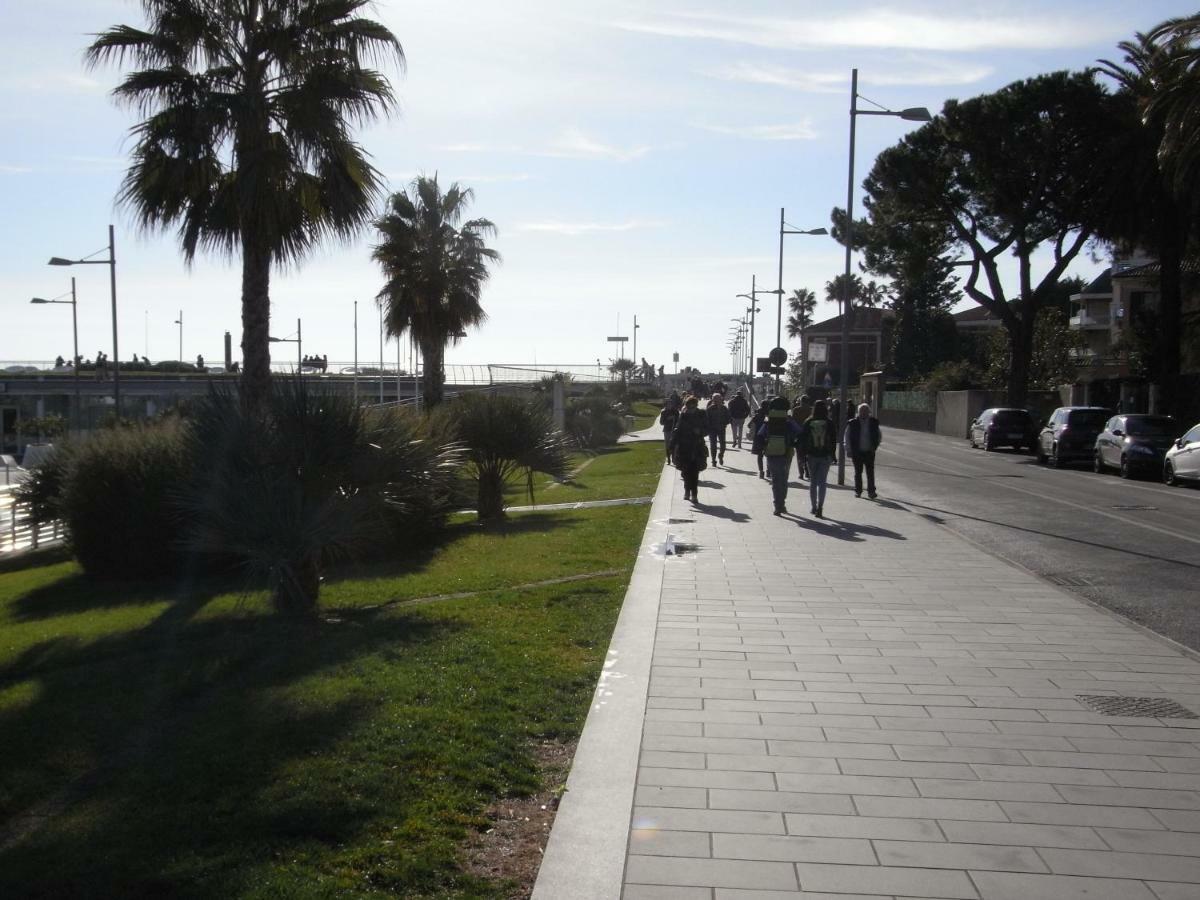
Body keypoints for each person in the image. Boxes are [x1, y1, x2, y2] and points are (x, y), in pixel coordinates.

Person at [757, 396, 804, 515]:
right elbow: (799, 431)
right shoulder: (788, 422)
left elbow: (760, 435)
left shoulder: (768, 421)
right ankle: (781, 503)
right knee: (784, 479)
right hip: (786, 453)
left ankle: (777, 504)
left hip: (771, 453)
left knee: (775, 480)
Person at [802, 399, 835, 518]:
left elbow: (803, 439)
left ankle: (813, 506)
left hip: (811, 455)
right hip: (825, 455)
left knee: (813, 482)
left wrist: (803, 455)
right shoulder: (829, 422)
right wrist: (833, 455)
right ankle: (821, 506)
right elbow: (833, 439)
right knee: (822, 482)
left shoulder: (808, 421)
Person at [671, 395, 708, 503]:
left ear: (696, 405)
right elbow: (677, 430)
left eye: (693, 406)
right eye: (689, 406)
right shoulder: (683, 415)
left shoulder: (701, 414)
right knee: (686, 472)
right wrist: (672, 444)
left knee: (695, 472)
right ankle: (687, 491)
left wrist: (700, 431)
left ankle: (694, 494)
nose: (691, 409)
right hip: (684, 447)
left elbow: (707, 429)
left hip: (697, 447)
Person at [844, 402, 882, 499]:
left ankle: (871, 492)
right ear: (858, 412)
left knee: (870, 472)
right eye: (862, 411)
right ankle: (858, 491)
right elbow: (847, 437)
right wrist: (848, 449)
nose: (864, 413)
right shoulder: (853, 423)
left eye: (866, 411)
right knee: (858, 472)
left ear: (869, 412)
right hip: (857, 451)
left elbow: (879, 435)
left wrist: (875, 446)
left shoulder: (873, 422)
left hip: (869, 451)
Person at [705, 392, 731, 466]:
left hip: (721, 428)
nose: (717, 401)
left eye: (718, 399)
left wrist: (725, 423)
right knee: (713, 445)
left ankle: (721, 455)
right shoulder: (710, 409)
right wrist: (708, 427)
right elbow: (706, 419)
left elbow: (728, 417)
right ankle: (713, 460)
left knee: (723, 445)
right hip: (712, 429)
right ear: (713, 400)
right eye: (715, 399)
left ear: (721, 399)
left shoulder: (724, 408)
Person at [792, 394, 813, 478]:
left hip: (799, 435)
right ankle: (808, 471)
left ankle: (801, 473)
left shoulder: (796, 410)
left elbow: (793, 422)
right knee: (808, 454)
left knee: (799, 454)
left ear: (800, 401)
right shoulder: (811, 410)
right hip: (809, 435)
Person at [749, 404, 769, 478]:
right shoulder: (769, 415)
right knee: (769, 455)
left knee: (760, 456)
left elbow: (749, 425)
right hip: (767, 437)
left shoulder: (757, 415)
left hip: (758, 437)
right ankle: (768, 471)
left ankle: (761, 471)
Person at [659, 397, 680, 464]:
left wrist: (677, 424)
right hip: (667, 430)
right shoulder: (663, 412)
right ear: (666, 405)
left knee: (674, 444)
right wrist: (667, 419)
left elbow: (679, 420)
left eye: (671, 404)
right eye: (668, 404)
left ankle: (674, 458)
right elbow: (661, 422)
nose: (669, 405)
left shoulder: (675, 411)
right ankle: (668, 459)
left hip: (674, 430)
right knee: (667, 445)